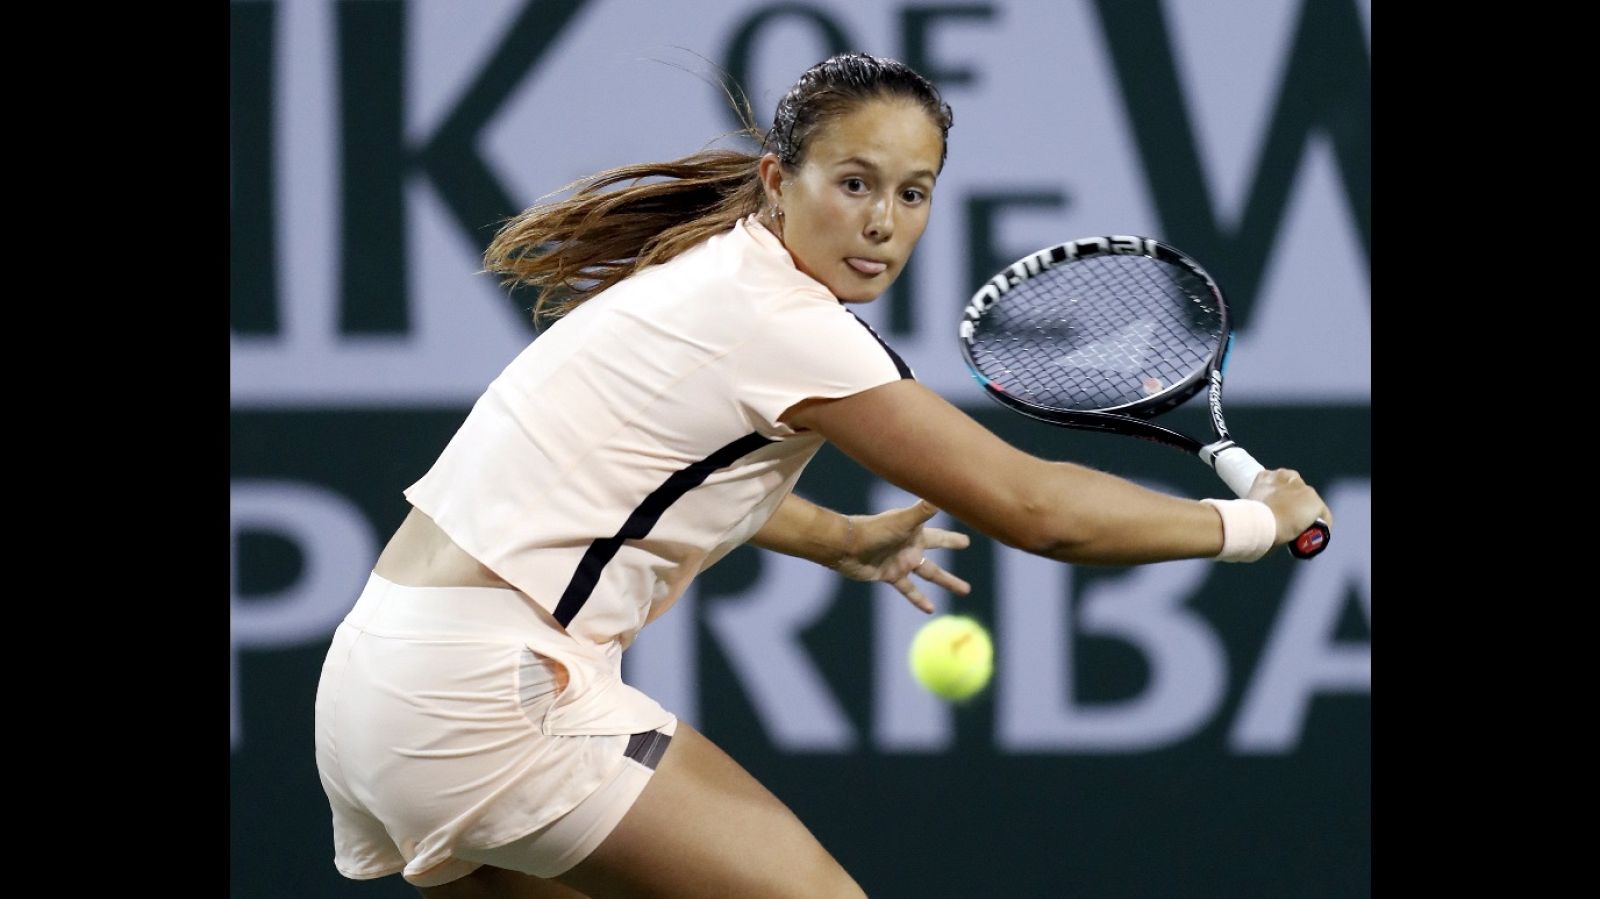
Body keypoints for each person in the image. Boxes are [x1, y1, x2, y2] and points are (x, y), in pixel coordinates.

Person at [313, 52, 1332, 899]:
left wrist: (843, 536)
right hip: (488, 699)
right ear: (776, 181)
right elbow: (1038, 509)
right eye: (854, 183)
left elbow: (652, 478)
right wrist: (1251, 520)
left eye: (912, 192)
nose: (882, 222)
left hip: (375, 686)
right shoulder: (792, 330)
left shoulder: (705, 277)